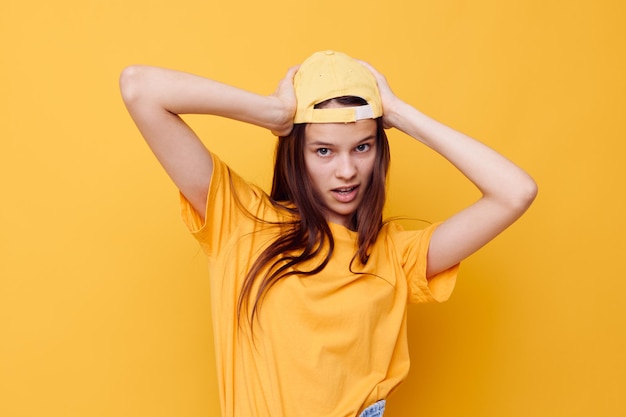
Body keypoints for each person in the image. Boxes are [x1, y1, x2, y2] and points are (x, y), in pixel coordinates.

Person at [119, 50, 537, 417]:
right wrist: (275, 114)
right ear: (295, 154)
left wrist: (398, 114)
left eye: (362, 147)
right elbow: (140, 88)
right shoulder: (241, 222)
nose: (346, 170)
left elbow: (515, 192)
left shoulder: (395, 255)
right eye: (323, 150)